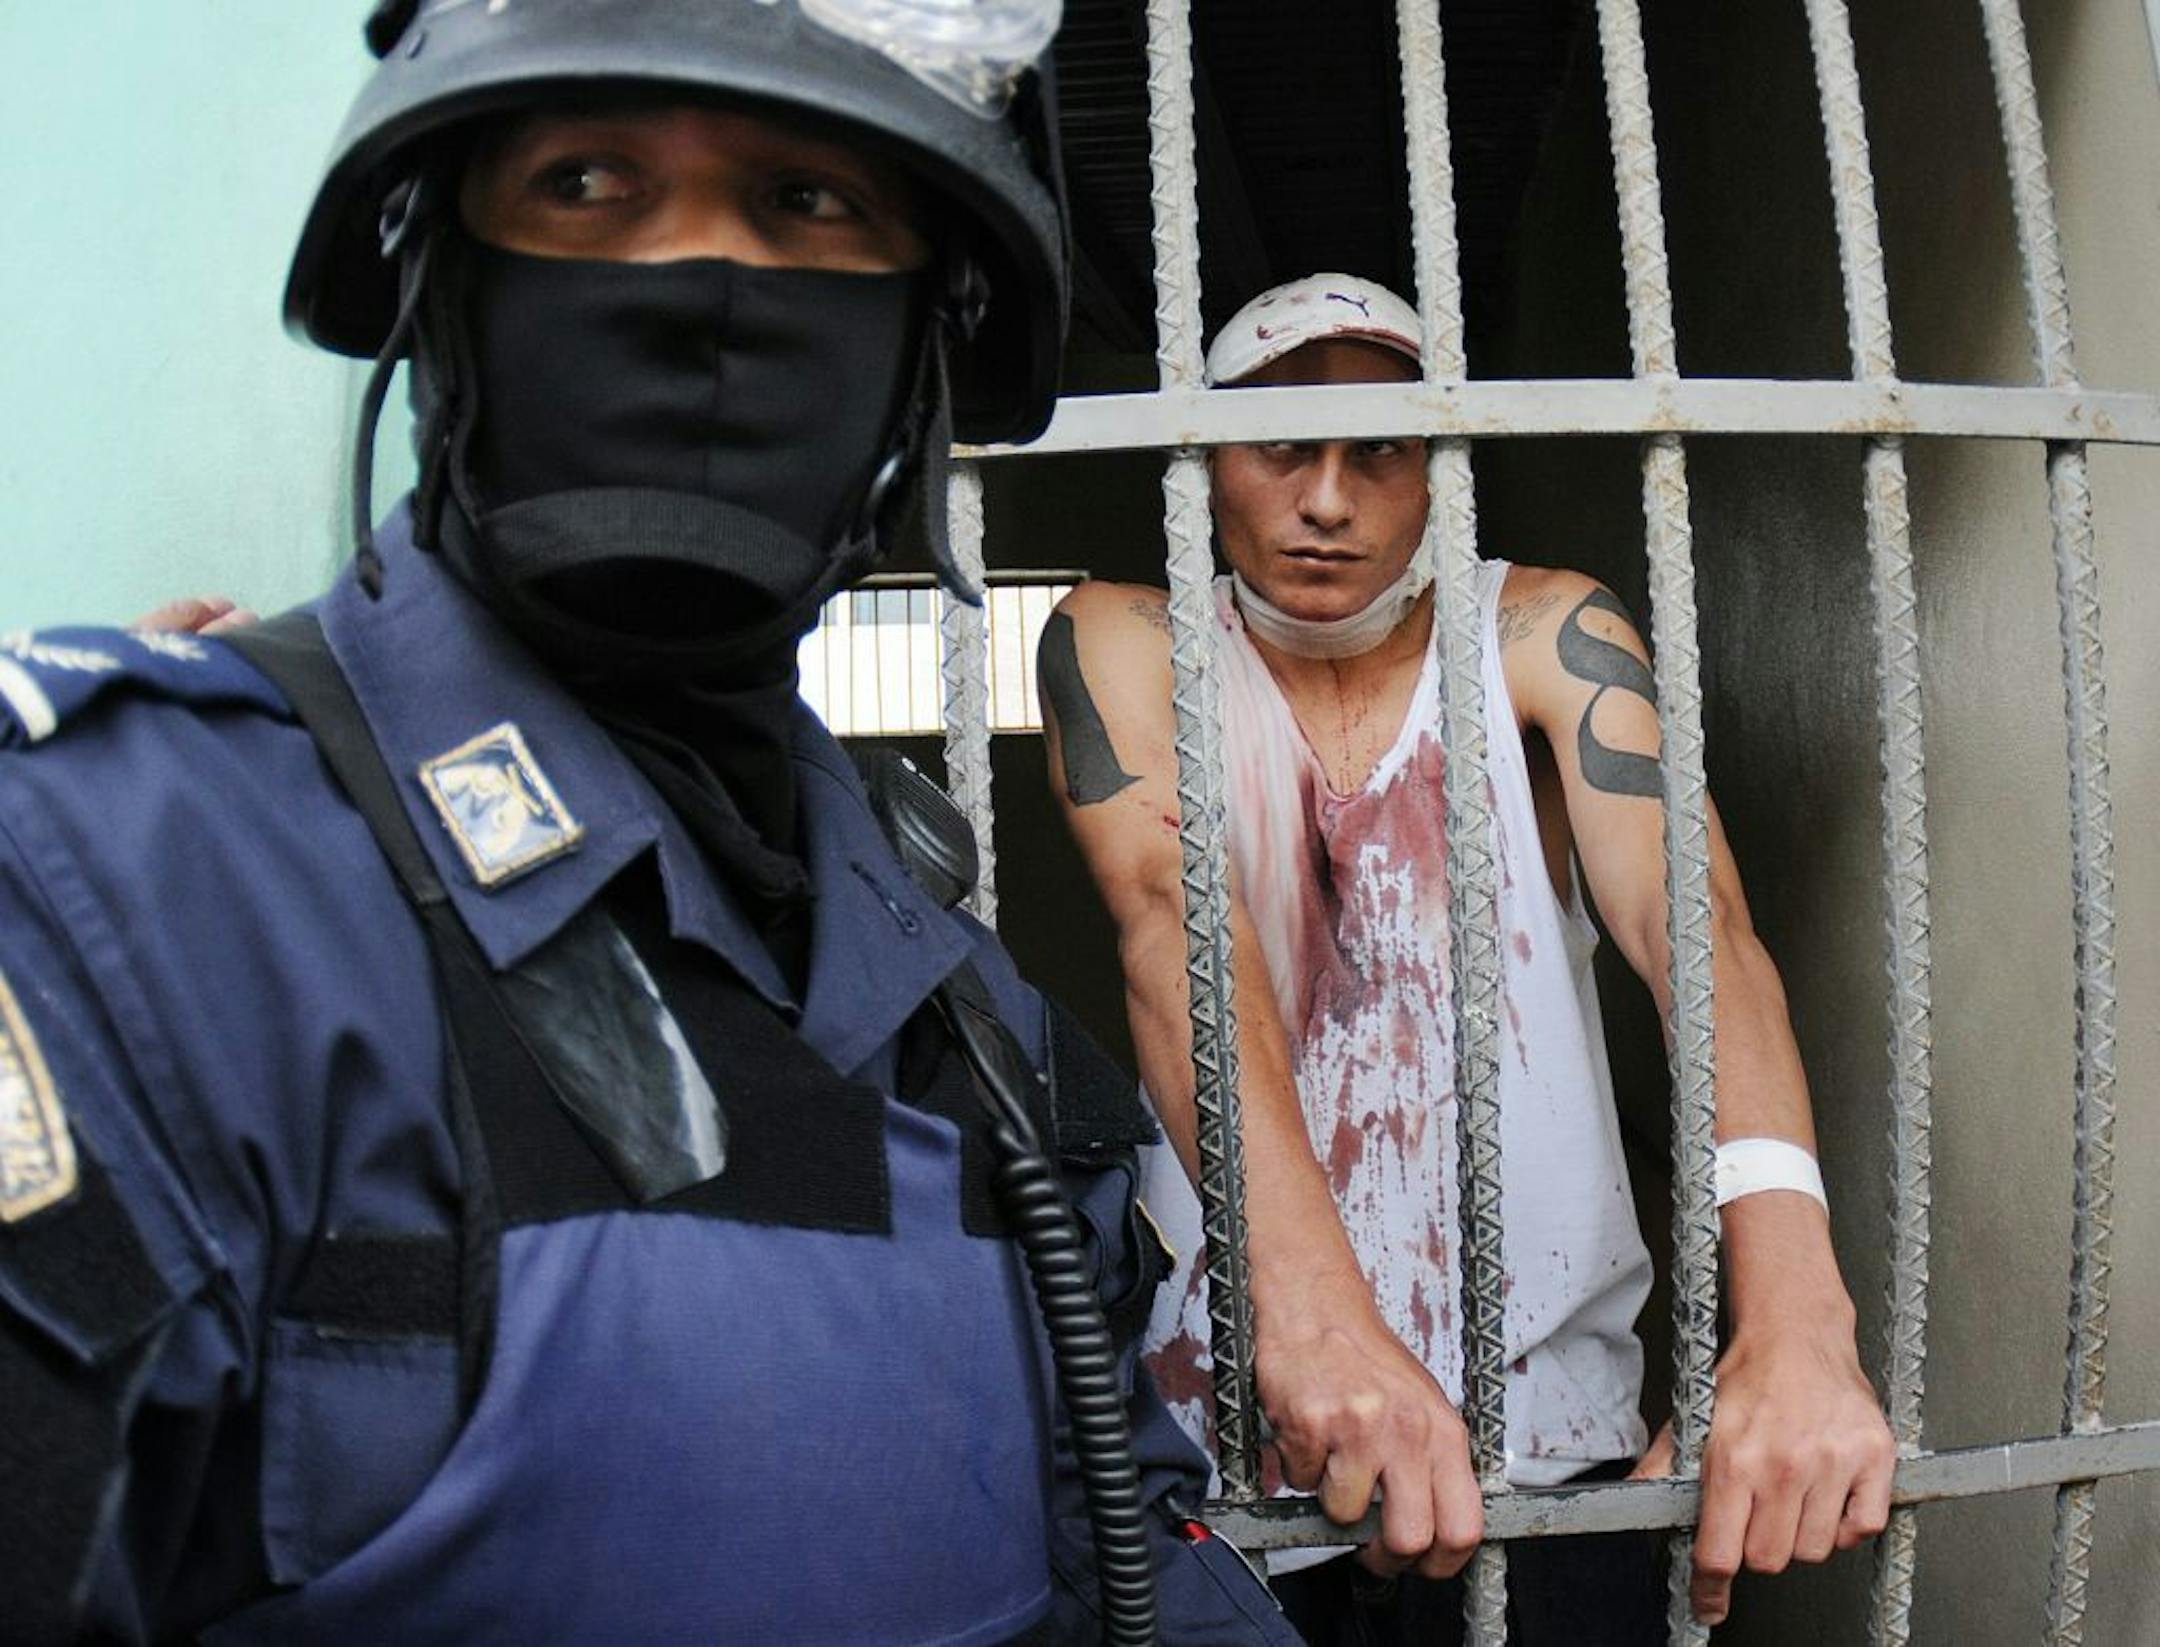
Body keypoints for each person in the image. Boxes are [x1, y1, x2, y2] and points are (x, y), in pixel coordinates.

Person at [0, 4, 1303, 1642]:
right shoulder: (114, 887)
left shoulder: (961, 1010)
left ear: (924, 346)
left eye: (809, 204)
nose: (697, 292)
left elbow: (1134, 1550)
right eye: (591, 180)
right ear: (438, 283)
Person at [1038, 273, 1897, 1642]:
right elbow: (1173, 922)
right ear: (1202, 461)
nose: (1328, 497)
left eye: (1381, 446)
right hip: (1251, 1431)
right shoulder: (1127, 636)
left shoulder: (1544, 635)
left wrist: (1796, 1315)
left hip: (1547, 1442)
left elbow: (1705, 934)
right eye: (1280, 446)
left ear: (1446, 464)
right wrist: (1321, 1330)